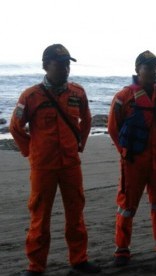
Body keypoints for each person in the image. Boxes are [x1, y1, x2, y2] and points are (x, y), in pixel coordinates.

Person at [9, 44, 100, 276]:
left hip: (70, 164)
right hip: (43, 167)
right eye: (60, 64)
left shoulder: (77, 93)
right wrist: (31, 151)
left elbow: (86, 120)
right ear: (45, 65)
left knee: (75, 212)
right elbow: (15, 126)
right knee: (40, 216)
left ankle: (79, 259)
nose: (66, 69)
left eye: (68, 64)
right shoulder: (31, 96)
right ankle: (36, 266)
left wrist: (80, 144)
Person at [107, 50, 156, 266]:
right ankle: (122, 250)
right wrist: (124, 152)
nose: (154, 71)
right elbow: (113, 128)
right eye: (148, 67)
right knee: (127, 206)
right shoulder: (123, 97)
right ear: (137, 70)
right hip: (134, 162)